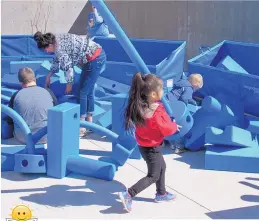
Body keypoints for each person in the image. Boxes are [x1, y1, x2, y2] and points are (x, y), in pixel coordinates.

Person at [118, 72, 181, 212]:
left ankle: (161, 193)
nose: (163, 91)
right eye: (162, 89)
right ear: (153, 94)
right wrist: (175, 126)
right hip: (153, 147)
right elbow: (166, 128)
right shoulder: (157, 110)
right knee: (153, 175)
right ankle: (129, 194)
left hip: (144, 146)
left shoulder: (138, 107)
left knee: (162, 167)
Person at [34, 31, 106, 137]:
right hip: (94, 56)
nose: (46, 51)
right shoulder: (56, 40)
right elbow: (56, 60)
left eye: (46, 49)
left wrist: (69, 83)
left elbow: (68, 68)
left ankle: (82, 126)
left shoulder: (59, 49)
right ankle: (89, 123)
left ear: (49, 45)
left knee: (82, 92)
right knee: (87, 90)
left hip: (95, 58)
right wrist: (49, 75)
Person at [5, 68, 58, 144]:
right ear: (35, 79)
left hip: (23, 138)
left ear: (20, 82)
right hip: (46, 136)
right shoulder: (48, 92)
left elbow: (10, 120)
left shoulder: (16, 95)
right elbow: (57, 113)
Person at [166, 73, 203, 154]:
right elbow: (185, 99)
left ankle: (172, 144)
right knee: (180, 126)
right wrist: (190, 106)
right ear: (195, 84)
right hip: (173, 107)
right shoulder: (189, 88)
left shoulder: (182, 83)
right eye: (197, 88)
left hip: (167, 104)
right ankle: (179, 147)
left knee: (171, 124)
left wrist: (192, 101)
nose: (195, 90)